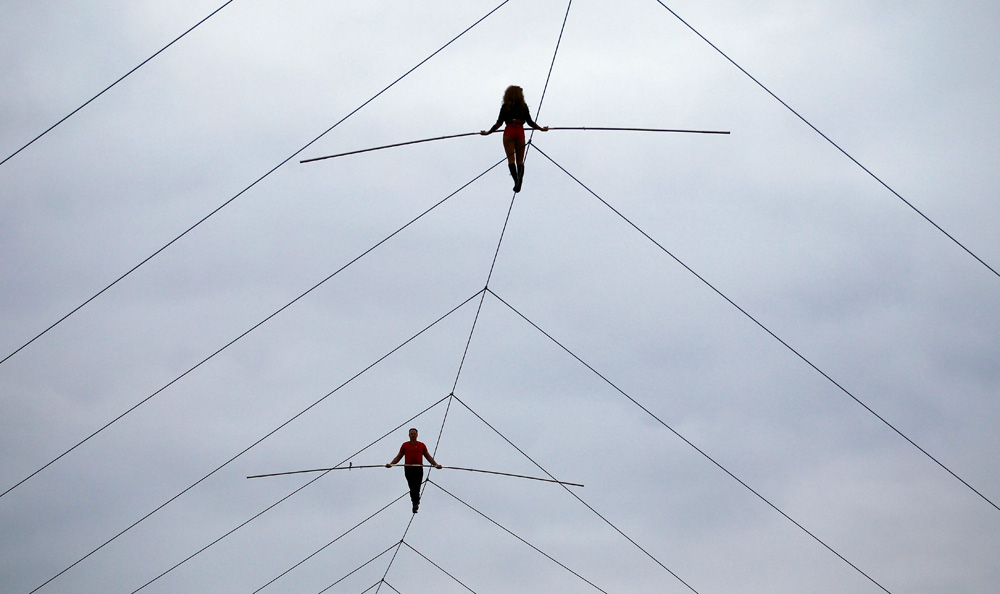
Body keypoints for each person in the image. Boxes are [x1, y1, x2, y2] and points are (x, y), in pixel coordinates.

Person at [481, 85, 548, 193]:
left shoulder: (505, 106)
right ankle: (519, 182)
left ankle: (516, 181)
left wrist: (488, 132)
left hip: (509, 132)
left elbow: (499, 123)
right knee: (520, 161)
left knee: (511, 160)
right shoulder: (523, 106)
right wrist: (541, 129)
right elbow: (530, 123)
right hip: (519, 131)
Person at [386, 428, 441, 513]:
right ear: (409, 435)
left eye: (414, 434)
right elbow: (398, 457)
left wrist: (436, 465)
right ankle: (414, 502)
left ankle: (415, 502)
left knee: (417, 487)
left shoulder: (421, 445)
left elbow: (428, 457)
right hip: (408, 469)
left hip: (418, 469)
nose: (413, 435)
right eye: (411, 434)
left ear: (417, 435)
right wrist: (391, 464)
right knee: (412, 487)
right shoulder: (405, 445)